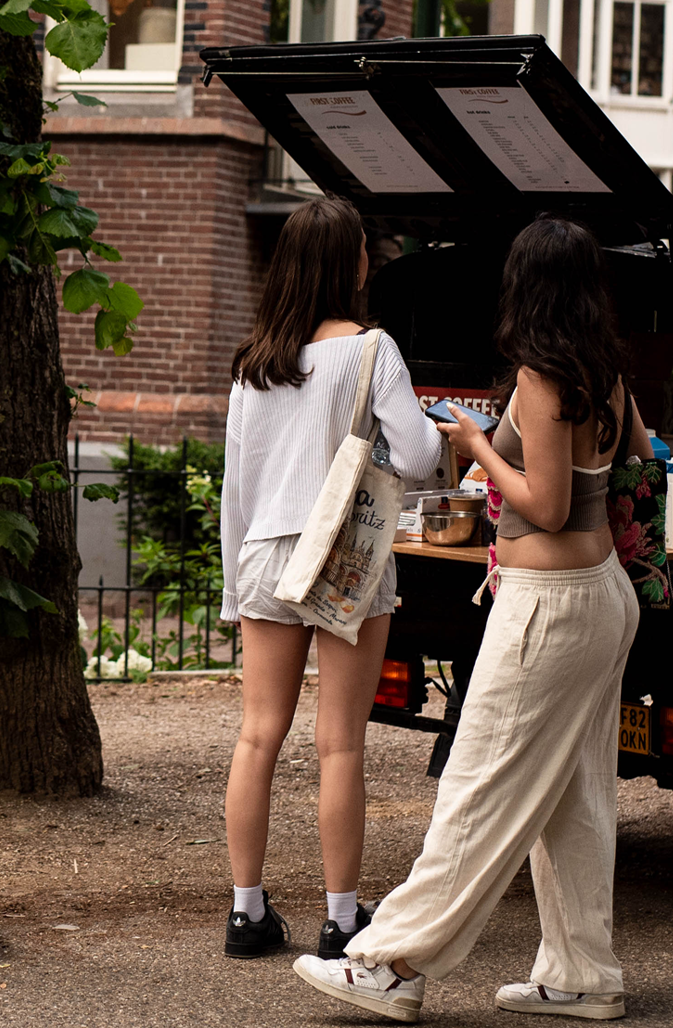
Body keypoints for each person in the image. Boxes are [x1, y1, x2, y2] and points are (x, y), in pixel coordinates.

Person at [290, 215, 652, 1023]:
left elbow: (546, 506)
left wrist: (480, 446)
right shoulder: (604, 370)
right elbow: (644, 456)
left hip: (550, 606)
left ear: (526, 287)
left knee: (476, 783)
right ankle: (582, 975)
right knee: (575, 798)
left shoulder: (542, 376)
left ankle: (391, 962)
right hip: (600, 595)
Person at [218, 197, 443, 962]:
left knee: (258, 735)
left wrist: (231, 584)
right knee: (340, 743)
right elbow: (417, 459)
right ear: (349, 264)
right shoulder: (373, 350)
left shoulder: (256, 362)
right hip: (343, 554)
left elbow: (235, 490)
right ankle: (342, 917)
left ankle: (247, 912)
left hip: (265, 552)